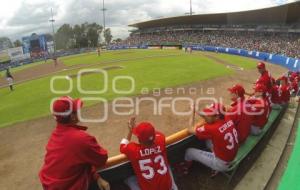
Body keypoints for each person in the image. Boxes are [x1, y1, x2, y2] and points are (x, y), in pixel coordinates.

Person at [39, 96, 110, 190]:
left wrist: (96, 176)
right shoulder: (81, 139)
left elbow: (76, 162)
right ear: (72, 116)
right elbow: (102, 159)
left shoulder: (55, 135)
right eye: (76, 110)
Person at [120, 117, 178, 190]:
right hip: (167, 187)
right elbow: (156, 134)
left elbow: (122, 145)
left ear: (139, 139)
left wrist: (131, 131)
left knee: (129, 180)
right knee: (167, 166)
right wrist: (145, 132)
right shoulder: (161, 140)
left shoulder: (133, 150)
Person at [183, 103, 239, 176]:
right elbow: (209, 118)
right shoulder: (227, 118)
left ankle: (184, 168)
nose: (206, 116)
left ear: (217, 117)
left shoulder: (211, 129)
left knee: (189, 152)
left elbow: (189, 129)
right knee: (208, 140)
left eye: (209, 114)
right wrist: (196, 111)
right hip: (232, 155)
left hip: (221, 163)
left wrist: (192, 113)